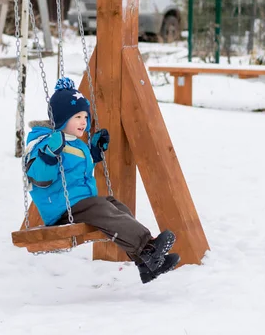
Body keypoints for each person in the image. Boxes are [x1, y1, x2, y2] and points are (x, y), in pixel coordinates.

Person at [23, 77, 180, 284]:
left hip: (79, 204)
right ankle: (148, 248)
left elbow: (74, 170)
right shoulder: (42, 143)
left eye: (85, 117)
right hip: (63, 209)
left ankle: (145, 262)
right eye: (77, 116)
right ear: (61, 119)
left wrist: (94, 153)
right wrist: (48, 154)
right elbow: (39, 177)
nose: (83, 122)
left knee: (115, 206)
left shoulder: (73, 143)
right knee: (102, 208)